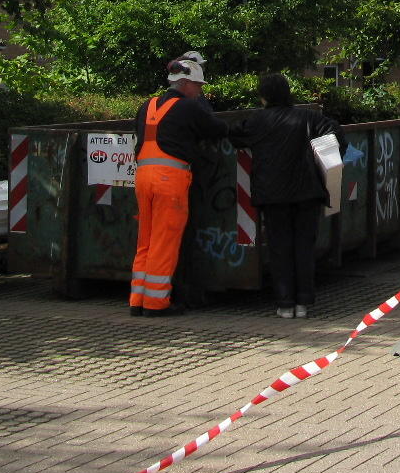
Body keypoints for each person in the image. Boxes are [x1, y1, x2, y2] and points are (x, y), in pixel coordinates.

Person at [230, 73, 345, 319]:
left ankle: (284, 304)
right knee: (304, 246)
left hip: (273, 194)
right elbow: (335, 136)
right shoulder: (309, 117)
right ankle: (303, 303)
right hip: (307, 192)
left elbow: (234, 135)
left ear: (264, 96)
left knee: (280, 248)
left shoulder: (257, 120)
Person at [129, 57, 228, 317]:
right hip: (169, 180)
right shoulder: (188, 107)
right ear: (185, 84)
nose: (200, 91)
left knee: (146, 241)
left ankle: (137, 299)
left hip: (143, 177)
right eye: (198, 86)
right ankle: (156, 303)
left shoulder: (146, 106)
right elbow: (217, 128)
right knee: (165, 242)